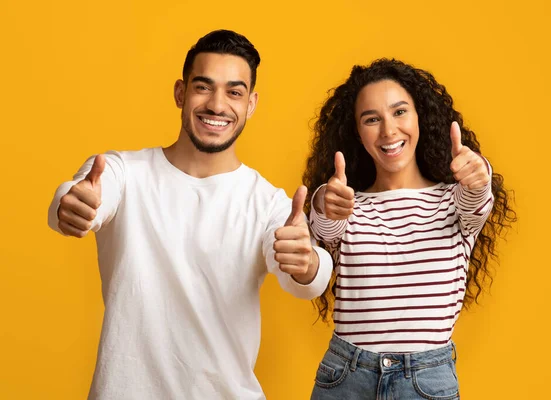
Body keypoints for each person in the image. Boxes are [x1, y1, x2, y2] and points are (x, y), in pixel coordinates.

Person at [47, 29, 333, 400]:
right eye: (203, 87)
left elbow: (306, 279)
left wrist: (307, 262)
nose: (217, 105)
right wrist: (71, 206)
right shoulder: (123, 172)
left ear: (251, 104)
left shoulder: (268, 203)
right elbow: (81, 198)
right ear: (180, 93)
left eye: (234, 91)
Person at [303, 58, 516, 399]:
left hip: (426, 381)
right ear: (357, 133)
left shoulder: (453, 202)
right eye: (372, 119)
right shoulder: (346, 203)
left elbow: (477, 197)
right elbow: (325, 225)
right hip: (346, 377)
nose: (388, 131)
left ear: (421, 117)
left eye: (400, 112)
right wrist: (324, 200)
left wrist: (480, 175)